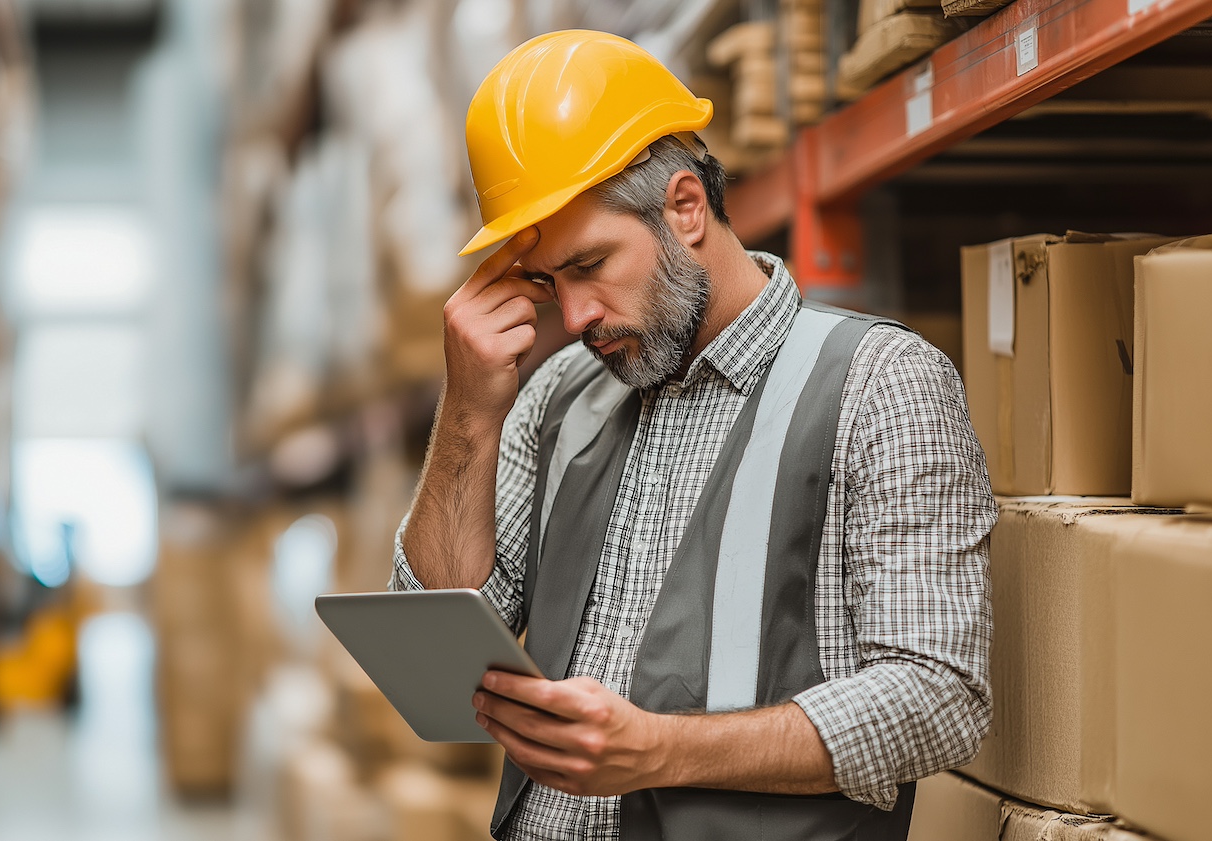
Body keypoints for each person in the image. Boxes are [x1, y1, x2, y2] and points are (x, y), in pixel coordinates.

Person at [389, 29, 995, 841]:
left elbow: (938, 698)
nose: (572, 319)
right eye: (548, 281)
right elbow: (438, 643)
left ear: (685, 207)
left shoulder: (878, 382)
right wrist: (468, 412)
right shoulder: (559, 400)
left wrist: (662, 750)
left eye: (591, 264)